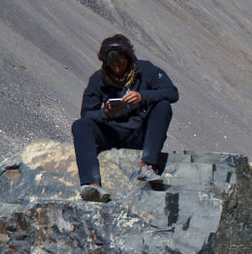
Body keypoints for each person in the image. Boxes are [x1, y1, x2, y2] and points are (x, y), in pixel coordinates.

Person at [72, 34, 179, 202]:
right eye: (112, 64)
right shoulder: (98, 79)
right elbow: (86, 114)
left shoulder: (146, 70)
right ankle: (92, 185)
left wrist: (142, 96)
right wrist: (105, 114)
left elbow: (172, 93)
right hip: (113, 132)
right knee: (80, 125)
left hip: (141, 133)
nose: (116, 69)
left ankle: (147, 166)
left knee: (163, 106)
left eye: (120, 63)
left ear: (128, 58)